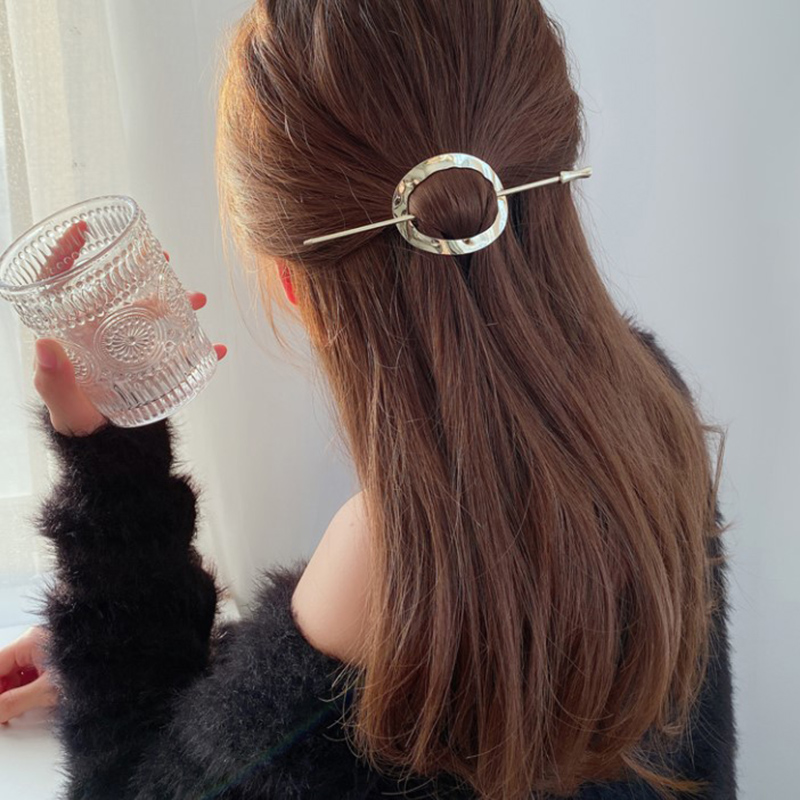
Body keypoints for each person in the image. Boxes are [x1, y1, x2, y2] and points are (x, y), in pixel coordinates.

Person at [0, 1, 737, 798]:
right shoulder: (644, 403)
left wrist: (115, 485)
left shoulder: (387, 575)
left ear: (291, 282)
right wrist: (223, 676)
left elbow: (129, 787)